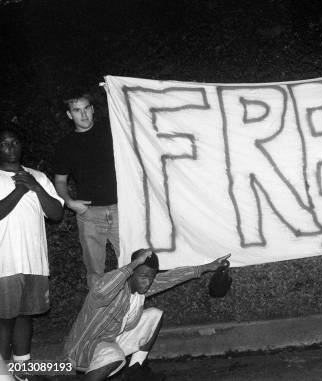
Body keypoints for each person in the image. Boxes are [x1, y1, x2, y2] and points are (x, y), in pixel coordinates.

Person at [62, 249, 230, 381]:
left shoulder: (143, 286)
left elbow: (172, 277)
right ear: (131, 273)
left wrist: (208, 267)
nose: (147, 282)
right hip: (85, 346)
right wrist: (133, 265)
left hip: (112, 338)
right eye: (143, 276)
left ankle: (135, 371)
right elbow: (102, 289)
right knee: (114, 357)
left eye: (151, 277)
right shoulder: (111, 288)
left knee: (155, 315)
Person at [0, 130, 64, 371]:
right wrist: (20, 189)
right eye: (3, 143)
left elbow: (57, 214)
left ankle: (22, 368)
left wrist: (35, 186)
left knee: (26, 315)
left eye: (14, 142)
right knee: (4, 319)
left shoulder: (37, 176)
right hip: (4, 262)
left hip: (34, 261)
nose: (10, 146)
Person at [53, 89, 120, 289]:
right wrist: (70, 202)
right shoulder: (65, 145)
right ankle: (99, 318)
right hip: (89, 214)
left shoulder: (112, 131)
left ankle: (131, 313)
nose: (83, 115)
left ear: (92, 109)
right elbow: (60, 181)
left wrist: (114, 90)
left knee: (131, 264)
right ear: (69, 114)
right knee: (95, 272)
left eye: (86, 109)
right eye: (76, 110)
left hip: (121, 209)